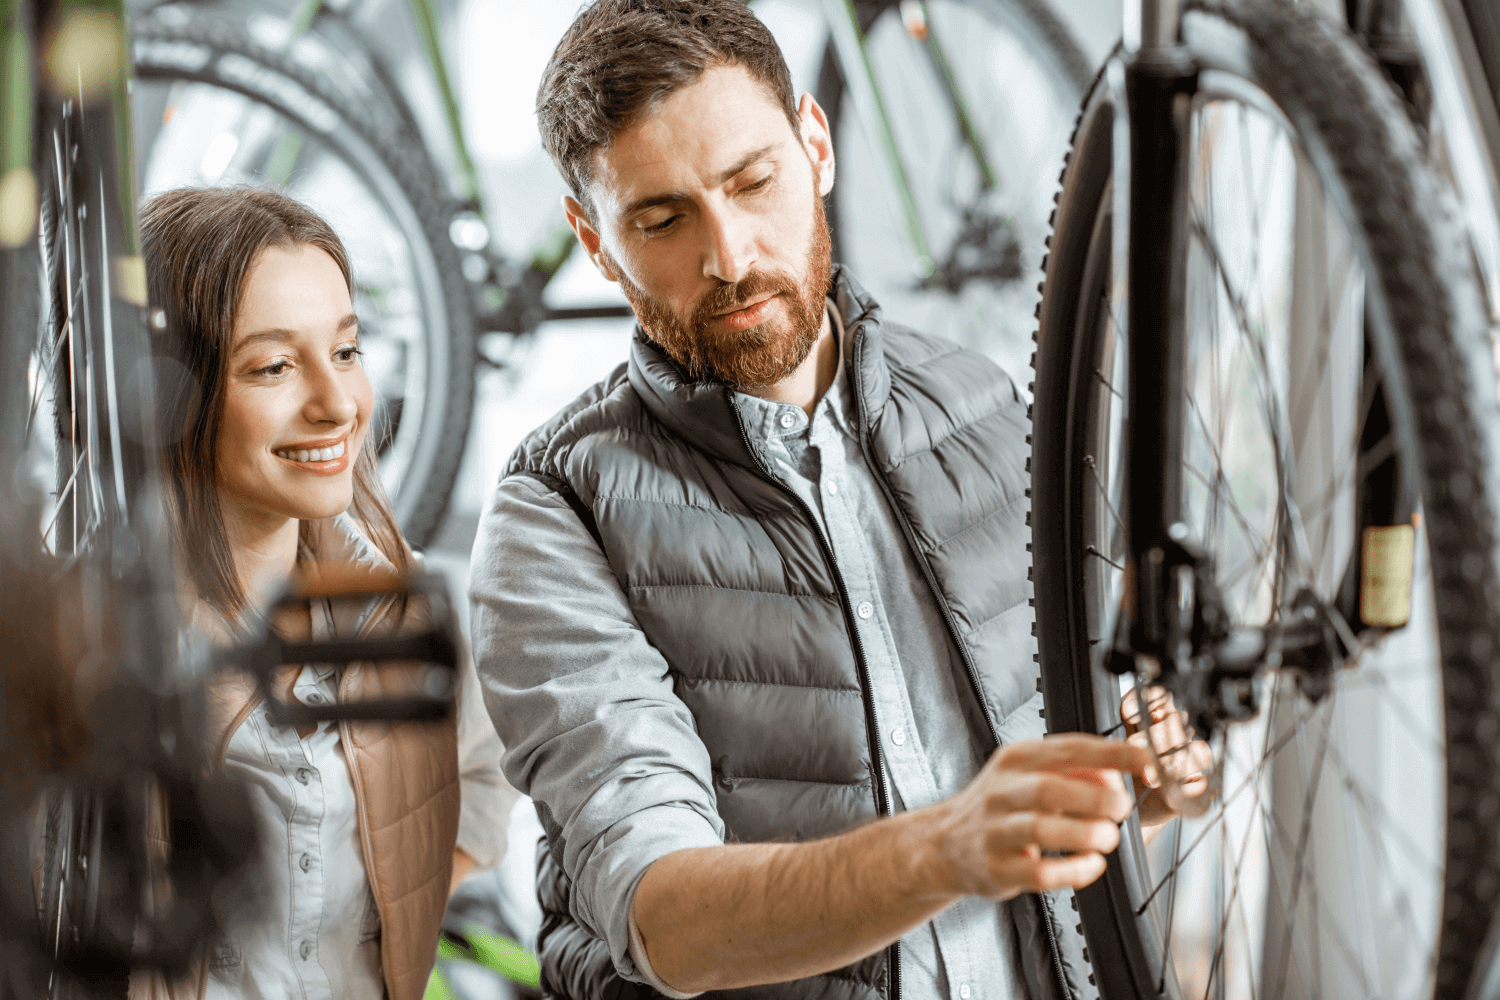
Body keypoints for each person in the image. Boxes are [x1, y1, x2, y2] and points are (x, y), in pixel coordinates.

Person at [470, 3, 1198, 999]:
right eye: (662, 218)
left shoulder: (984, 406)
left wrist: (1131, 784)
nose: (728, 255)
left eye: (751, 181)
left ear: (816, 144)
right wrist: (945, 846)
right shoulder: (551, 510)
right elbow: (663, 920)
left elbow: (1039, 832)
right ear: (592, 238)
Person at [133, 186, 517, 1000]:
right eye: (275, 365)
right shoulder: (100, 645)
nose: (339, 404)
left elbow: (481, 782)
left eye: (346, 351)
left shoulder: (400, 600)